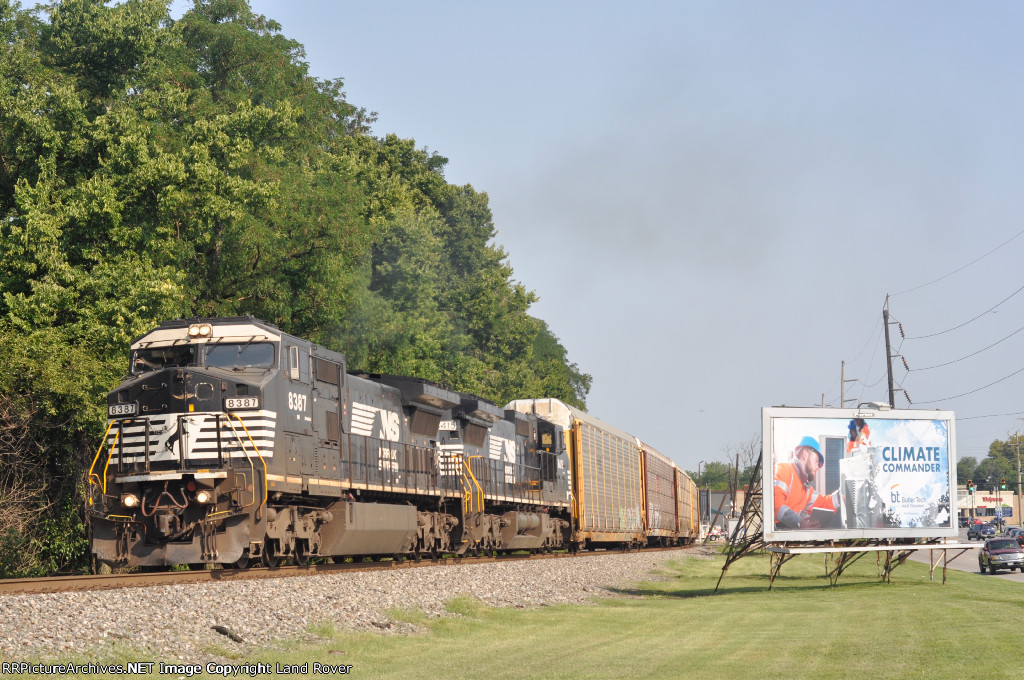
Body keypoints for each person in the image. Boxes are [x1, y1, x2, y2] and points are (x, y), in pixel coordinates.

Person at [774, 436, 841, 529]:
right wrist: (798, 522)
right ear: (805, 454)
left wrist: (840, 496)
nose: (818, 467)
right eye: (816, 461)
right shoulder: (783, 469)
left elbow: (824, 503)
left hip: (789, 534)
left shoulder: (806, 488)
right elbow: (775, 504)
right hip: (776, 535)